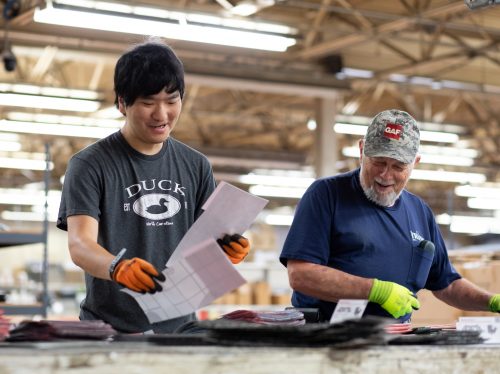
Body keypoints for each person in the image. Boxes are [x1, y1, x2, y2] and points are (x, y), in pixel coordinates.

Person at [57, 39, 250, 334]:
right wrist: (117, 267)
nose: (162, 115)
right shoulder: (90, 164)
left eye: (172, 101)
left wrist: (225, 250)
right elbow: (80, 245)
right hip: (110, 331)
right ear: (122, 102)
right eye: (148, 103)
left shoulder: (196, 166)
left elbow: (203, 244)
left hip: (182, 331)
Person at [280, 109, 500, 323]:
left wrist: (492, 302)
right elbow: (301, 275)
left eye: (398, 166)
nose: (386, 175)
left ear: (415, 163)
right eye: (379, 162)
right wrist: (376, 290)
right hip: (324, 339)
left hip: (393, 343)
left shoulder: (420, 213)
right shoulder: (326, 195)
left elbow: (447, 284)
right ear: (361, 150)